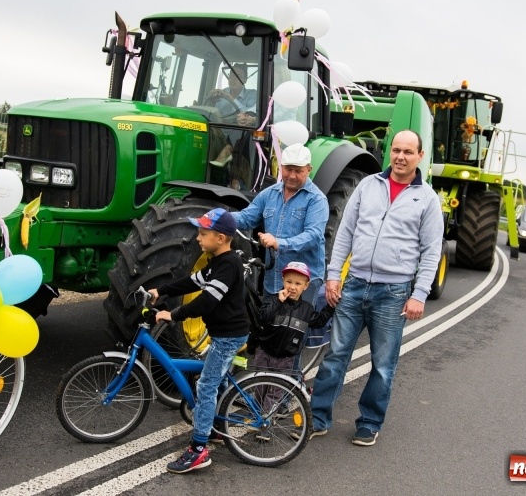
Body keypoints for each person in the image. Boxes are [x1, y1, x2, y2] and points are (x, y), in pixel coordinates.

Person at [308, 129, 444, 447]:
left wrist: (419, 294)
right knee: (335, 355)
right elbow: (345, 232)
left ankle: (369, 422)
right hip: (354, 285)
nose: (400, 157)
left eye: (408, 152)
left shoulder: (427, 199)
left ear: (420, 156)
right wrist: (333, 275)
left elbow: (431, 251)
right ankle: (318, 417)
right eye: (396, 150)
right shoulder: (369, 186)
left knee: (383, 364)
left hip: (393, 292)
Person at [148, 207, 248, 474]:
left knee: (206, 385)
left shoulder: (229, 265)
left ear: (222, 238)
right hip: (223, 334)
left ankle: (198, 449)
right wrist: (162, 290)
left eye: (203, 234)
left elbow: (207, 300)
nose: (198, 238)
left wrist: (175, 314)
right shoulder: (216, 262)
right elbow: (191, 283)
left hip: (229, 336)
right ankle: (216, 426)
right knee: (217, 379)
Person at [232, 143, 329, 306]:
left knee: (294, 327)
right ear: (280, 167)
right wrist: (221, 217)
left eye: (298, 171)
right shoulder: (269, 194)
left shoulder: (316, 200)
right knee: (271, 327)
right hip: (275, 277)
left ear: (309, 169)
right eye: (288, 169)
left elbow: (313, 236)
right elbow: (247, 217)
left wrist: (279, 243)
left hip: (303, 281)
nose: (292, 175)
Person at [251, 261, 334, 441]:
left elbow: (318, 322)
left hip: (286, 358)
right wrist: (278, 302)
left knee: (275, 392)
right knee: (259, 388)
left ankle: (265, 425)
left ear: (306, 286)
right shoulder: (273, 300)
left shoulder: (306, 309)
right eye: (289, 282)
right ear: (283, 281)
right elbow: (263, 318)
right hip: (264, 353)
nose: (292, 287)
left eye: (298, 284)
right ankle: (258, 415)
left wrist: (330, 307)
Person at [207, 63, 258, 167]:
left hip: (239, 138)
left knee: (243, 124)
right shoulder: (221, 93)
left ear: (245, 80)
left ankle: (228, 151)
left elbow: (248, 114)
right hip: (218, 133)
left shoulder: (252, 94)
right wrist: (211, 100)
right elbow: (210, 113)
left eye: (237, 75)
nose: (232, 78)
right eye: (231, 75)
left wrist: (230, 97)